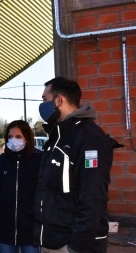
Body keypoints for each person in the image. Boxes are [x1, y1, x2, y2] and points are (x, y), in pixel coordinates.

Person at [33, 77, 114, 253]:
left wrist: (77, 246)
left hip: (72, 245)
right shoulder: (58, 137)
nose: (42, 105)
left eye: (45, 99)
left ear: (59, 100)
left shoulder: (89, 138)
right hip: (52, 240)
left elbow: (93, 196)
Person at [0, 120, 42, 253]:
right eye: (10, 137)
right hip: (5, 227)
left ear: (27, 137)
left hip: (31, 228)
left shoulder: (40, 160)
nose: (13, 140)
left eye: (18, 136)